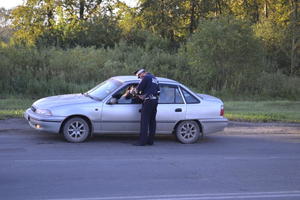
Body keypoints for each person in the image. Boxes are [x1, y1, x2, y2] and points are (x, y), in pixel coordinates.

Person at [133, 69, 160, 146]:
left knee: (144, 122)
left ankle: (142, 142)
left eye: (139, 76)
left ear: (142, 73)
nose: (139, 78)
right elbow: (158, 91)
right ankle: (150, 141)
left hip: (148, 101)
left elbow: (138, 90)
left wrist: (133, 91)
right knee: (152, 122)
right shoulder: (154, 78)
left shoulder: (146, 78)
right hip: (155, 101)